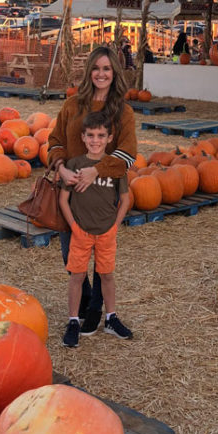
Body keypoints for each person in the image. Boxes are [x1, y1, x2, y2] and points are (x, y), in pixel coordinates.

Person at [47, 46, 137, 337]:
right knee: (69, 253)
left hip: (102, 194)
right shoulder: (73, 105)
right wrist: (61, 167)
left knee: (102, 258)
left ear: (115, 73)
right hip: (71, 194)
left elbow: (128, 154)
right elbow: (56, 140)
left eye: (107, 69)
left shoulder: (123, 112)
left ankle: (97, 311)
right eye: (96, 68)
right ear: (89, 72)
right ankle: (84, 304)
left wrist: (96, 169)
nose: (101, 74)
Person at [59, 111, 132, 349]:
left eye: (101, 135)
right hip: (81, 233)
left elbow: (125, 198)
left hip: (106, 233)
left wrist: (115, 225)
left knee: (107, 275)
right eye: (91, 135)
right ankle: (72, 321)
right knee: (77, 276)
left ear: (109, 138)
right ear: (83, 136)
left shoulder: (114, 167)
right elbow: (63, 199)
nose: (95, 140)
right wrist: (74, 227)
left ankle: (111, 317)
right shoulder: (75, 165)